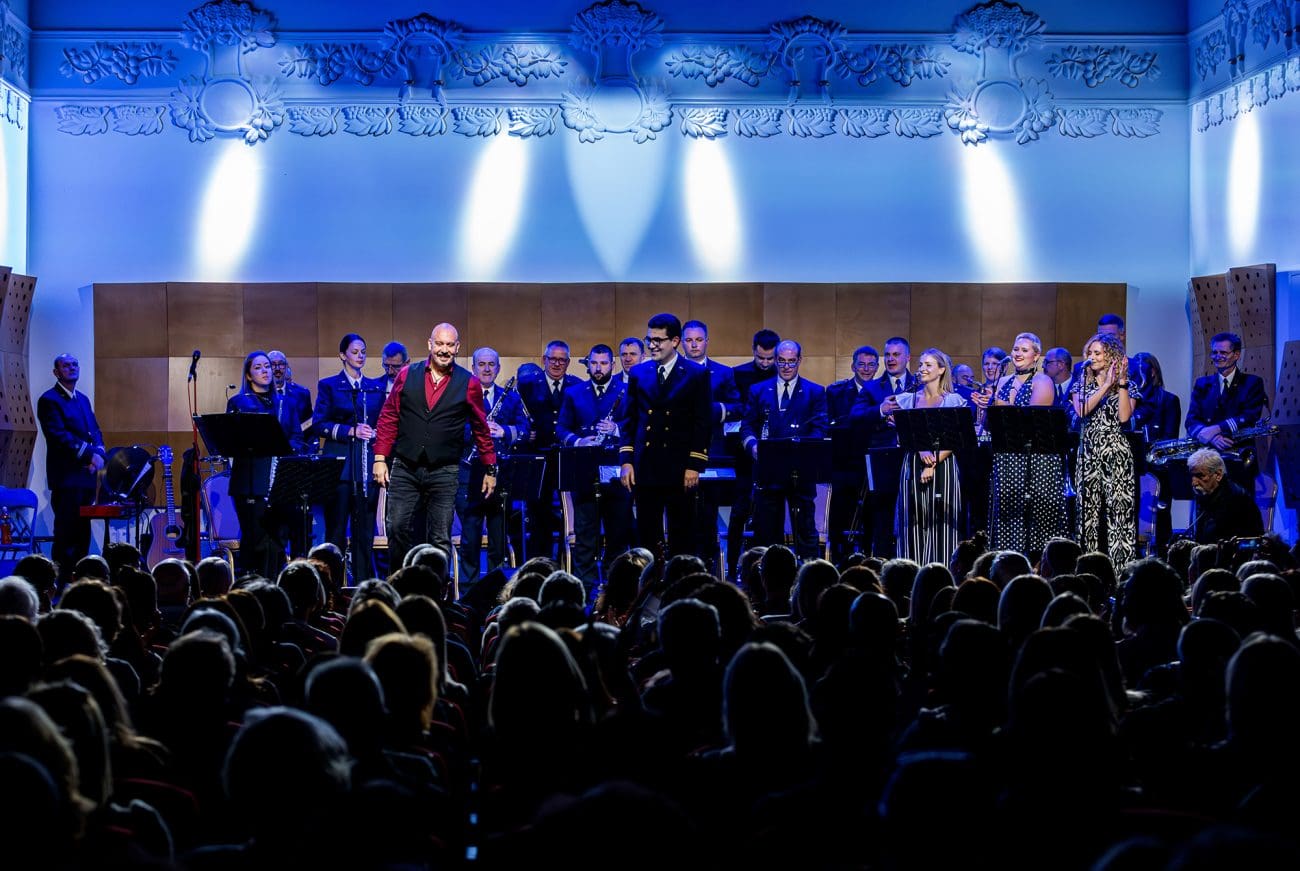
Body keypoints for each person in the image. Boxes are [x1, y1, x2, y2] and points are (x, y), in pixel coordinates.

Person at [373, 323, 496, 572]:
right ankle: (399, 584)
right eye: (439, 343)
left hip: (444, 470)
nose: (444, 350)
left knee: (440, 536)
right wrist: (379, 458)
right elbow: (389, 417)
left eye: (450, 345)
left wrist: (490, 468)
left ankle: (437, 590)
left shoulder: (469, 383)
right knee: (397, 527)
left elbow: (481, 429)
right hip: (405, 466)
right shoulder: (407, 374)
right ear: (430, 344)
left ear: (457, 347)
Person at [619, 313, 712, 559]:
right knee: (647, 535)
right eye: (649, 339)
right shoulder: (639, 373)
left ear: (675, 341)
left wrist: (694, 465)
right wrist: (626, 460)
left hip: (680, 467)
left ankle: (680, 579)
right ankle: (650, 580)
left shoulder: (696, 374)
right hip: (645, 465)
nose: (652, 345)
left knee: (682, 534)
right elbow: (629, 420)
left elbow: (702, 422)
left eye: (658, 340)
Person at [971, 332, 1067, 557]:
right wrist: (985, 408)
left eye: (1024, 350)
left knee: (1037, 515)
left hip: (1036, 459)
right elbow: (989, 425)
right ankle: (1008, 561)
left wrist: (996, 402)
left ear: (1036, 356)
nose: (1018, 353)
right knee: (1008, 515)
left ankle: (1038, 561)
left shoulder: (1042, 381)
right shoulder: (1002, 382)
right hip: (1007, 457)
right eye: (1016, 349)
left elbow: (1031, 418)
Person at [739, 340, 827, 559]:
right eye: (782, 361)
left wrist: (800, 450)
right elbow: (747, 426)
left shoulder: (815, 392)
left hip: (801, 471)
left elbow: (819, 429)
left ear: (799, 361)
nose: (787, 366)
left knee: (805, 529)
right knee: (767, 531)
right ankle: (769, 572)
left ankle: (808, 571)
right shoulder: (758, 390)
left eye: (791, 361)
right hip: (768, 471)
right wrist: (753, 446)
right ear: (776, 361)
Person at [556, 344, 633, 591]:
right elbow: (561, 428)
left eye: (603, 363)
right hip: (584, 471)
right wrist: (579, 441)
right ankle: (584, 591)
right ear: (588, 364)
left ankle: (615, 591)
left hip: (616, 472)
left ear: (613, 364)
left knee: (618, 536)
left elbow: (638, 426)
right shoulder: (574, 392)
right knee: (585, 536)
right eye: (594, 363)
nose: (598, 368)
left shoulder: (626, 390)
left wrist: (616, 429)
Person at [226, 350, 307, 578]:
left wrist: (284, 446)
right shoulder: (238, 402)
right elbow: (232, 440)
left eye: (267, 367)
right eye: (258, 367)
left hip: (279, 479)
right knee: (254, 538)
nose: (265, 371)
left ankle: (273, 585)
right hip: (249, 480)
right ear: (248, 375)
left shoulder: (286, 403)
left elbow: (297, 438)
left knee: (277, 539)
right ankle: (251, 584)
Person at [313, 334, 387, 581]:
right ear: (343, 355)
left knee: (364, 531)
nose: (360, 356)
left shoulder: (375, 388)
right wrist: (350, 431)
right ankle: (332, 585)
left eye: (363, 351)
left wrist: (376, 433)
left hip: (366, 467)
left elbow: (384, 423)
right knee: (335, 530)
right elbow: (319, 424)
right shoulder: (329, 385)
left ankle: (363, 584)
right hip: (340, 469)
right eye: (355, 352)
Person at [456, 347, 529, 587]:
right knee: (470, 538)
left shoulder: (511, 397)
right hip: (469, 474)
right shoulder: (462, 397)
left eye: (491, 364)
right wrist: (479, 430)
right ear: (473, 368)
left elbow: (526, 430)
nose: (486, 369)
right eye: (481, 364)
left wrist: (504, 431)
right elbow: (452, 430)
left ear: (497, 368)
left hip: (500, 475)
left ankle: (496, 591)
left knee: (499, 538)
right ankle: (468, 592)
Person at [886, 348, 965, 565]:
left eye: (928, 365)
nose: (922, 369)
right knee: (912, 520)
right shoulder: (907, 400)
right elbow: (901, 435)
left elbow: (955, 439)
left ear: (941, 369)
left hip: (943, 466)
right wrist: (921, 449)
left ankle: (941, 571)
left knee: (941, 521)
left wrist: (932, 463)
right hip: (913, 463)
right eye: (921, 364)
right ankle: (910, 571)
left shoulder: (953, 400)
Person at [36, 354, 106, 587]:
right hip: (66, 480)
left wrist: (100, 453)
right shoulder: (49, 400)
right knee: (66, 535)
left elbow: (95, 431)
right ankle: (61, 585)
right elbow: (59, 436)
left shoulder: (82, 399)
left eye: (75, 364)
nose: (72, 368)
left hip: (86, 479)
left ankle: (81, 582)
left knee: (83, 534)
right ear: (56, 372)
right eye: (66, 365)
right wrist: (90, 455)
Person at [1072, 333, 1138, 568]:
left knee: (1120, 512)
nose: (1092, 357)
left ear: (1111, 356)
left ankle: (1121, 571)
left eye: (1097, 353)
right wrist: (1105, 386)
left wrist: (1120, 383)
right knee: (1086, 514)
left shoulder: (1128, 385)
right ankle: (1087, 569)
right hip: (1088, 452)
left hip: (1117, 452)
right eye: (1090, 353)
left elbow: (1124, 417)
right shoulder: (1081, 384)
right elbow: (1082, 410)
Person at [681, 320, 742, 572]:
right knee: (682, 514)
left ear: (707, 341)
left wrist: (712, 411)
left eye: (699, 340)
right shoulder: (672, 371)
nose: (694, 345)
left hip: (712, 454)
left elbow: (738, 407)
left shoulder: (724, 373)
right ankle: (683, 567)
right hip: (680, 454)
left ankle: (709, 567)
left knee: (708, 514)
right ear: (681, 342)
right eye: (689, 340)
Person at [851, 337, 919, 556]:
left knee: (914, 514)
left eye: (896, 355)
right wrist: (881, 410)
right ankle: (882, 562)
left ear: (907, 357)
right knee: (882, 517)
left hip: (915, 458)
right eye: (888, 355)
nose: (891, 359)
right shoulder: (871, 388)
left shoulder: (920, 385)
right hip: (883, 461)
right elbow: (855, 417)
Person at [519, 340, 582, 560]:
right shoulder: (527, 385)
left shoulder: (576, 385)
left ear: (568, 362)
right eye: (552, 359)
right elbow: (518, 415)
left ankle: (567, 561)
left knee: (570, 514)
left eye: (562, 360)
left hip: (567, 459)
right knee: (539, 513)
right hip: (539, 459)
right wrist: (526, 432)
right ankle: (540, 562)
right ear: (544, 360)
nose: (556, 364)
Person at [727, 328, 780, 577]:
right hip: (744, 452)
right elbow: (734, 409)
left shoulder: (782, 373)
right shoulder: (738, 374)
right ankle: (732, 565)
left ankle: (767, 566)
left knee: (769, 511)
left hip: (774, 453)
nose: (766, 363)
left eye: (771, 358)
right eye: (761, 358)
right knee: (740, 510)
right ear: (753, 351)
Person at [826, 345, 880, 561]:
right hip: (844, 461)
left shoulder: (881, 391)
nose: (866, 369)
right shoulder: (836, 392)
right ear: (853, 366)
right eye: (861, 364)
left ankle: (868, 556)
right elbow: (830, 424)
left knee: (870, 512)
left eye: (871, 365)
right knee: (839, 512)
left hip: (871, 461)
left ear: (877, 367)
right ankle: (838, 557)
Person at [1131, 352, 1182, 556]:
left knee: (1161, 514)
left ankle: (1162, 552)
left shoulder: (1169, 400)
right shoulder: (1129, 400)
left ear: (1152, 372)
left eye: (1140, 372)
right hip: (1133, 465)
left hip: (1158, 467)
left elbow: (1170, 437)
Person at [1185, 331, 1268, 452]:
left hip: (1239, 450)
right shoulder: (1202, 384)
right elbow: (1191, 420)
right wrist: (1212, 438)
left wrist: (1217, 428)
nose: (1218, 356)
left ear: (1236, 355)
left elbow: (1249, 416)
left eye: (1223, 352)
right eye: (1215, 352)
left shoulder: (1252, 383)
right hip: (1207, 452)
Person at [1187, 448, 1264, 544]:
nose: (1194, 483)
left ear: (1218, 475)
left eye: (1200, 476)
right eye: (1192, 476)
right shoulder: (1206, 495)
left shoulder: (1237, 500)